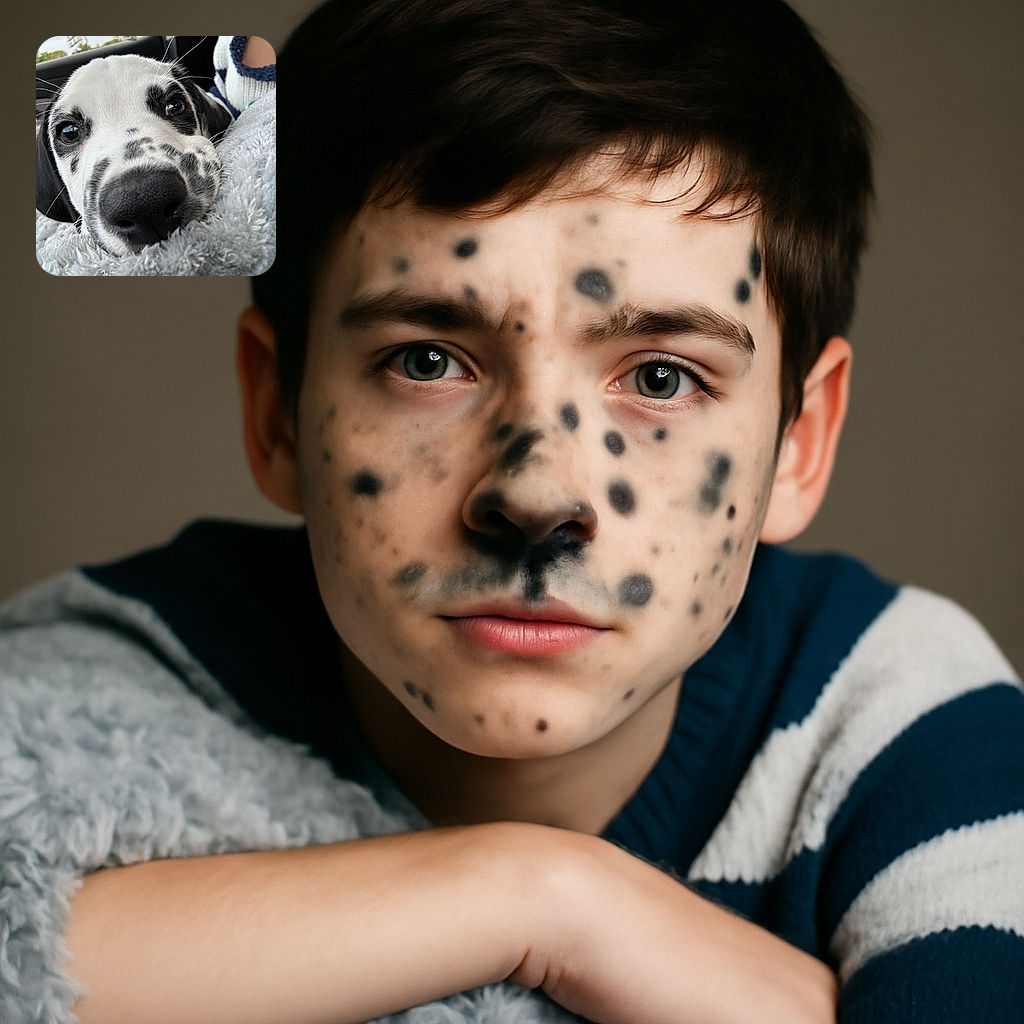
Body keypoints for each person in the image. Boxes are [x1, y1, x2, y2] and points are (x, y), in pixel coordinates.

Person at [3, 1, 1021, 1021]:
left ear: (798, 441)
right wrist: (551, 899)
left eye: (662, 378)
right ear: (277, 412)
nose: (535, 495)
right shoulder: (127, 661)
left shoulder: (895, 713)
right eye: (428, 361)